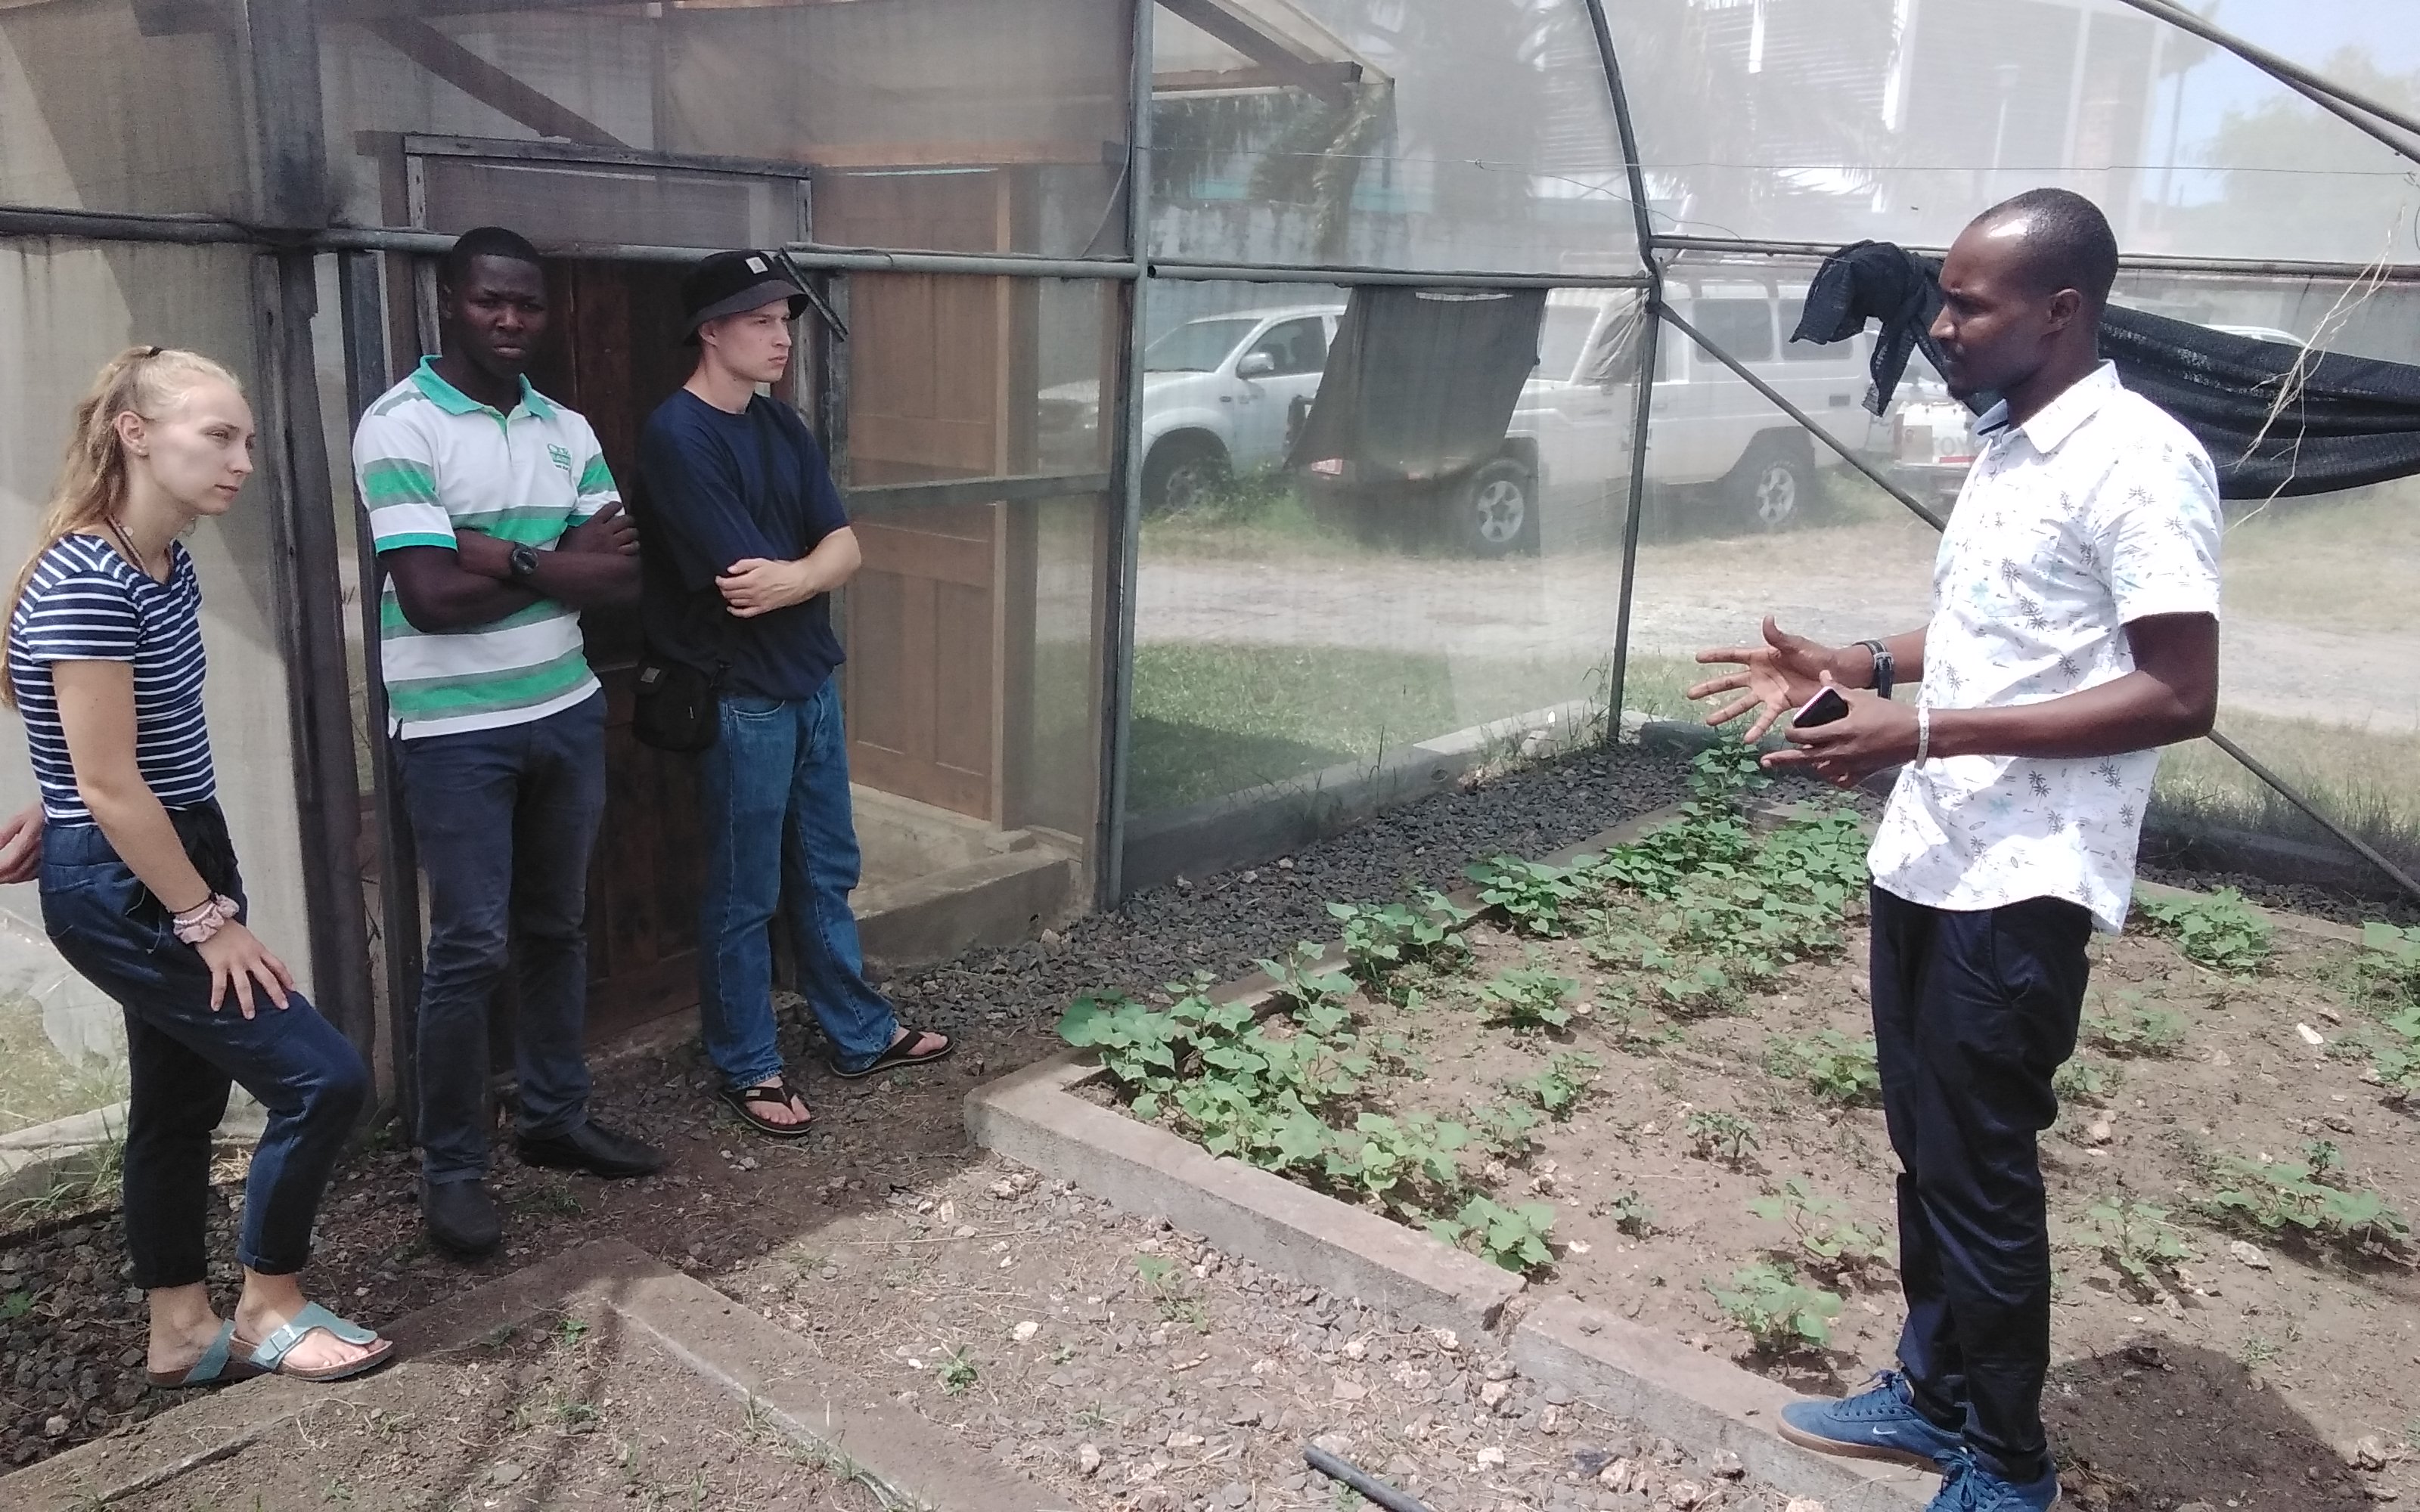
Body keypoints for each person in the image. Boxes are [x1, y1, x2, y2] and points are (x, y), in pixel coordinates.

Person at [1688, 189, 2220, 1512]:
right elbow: (1992, 623)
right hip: (1932, 850)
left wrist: (1917, 730)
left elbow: (2180, 691)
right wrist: (1853, 663)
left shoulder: (2141, 461)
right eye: (1944, 298)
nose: (1939, 325)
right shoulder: (2013, 444)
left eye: (1968, 304)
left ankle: (2009, 1466)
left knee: (1983, 1172)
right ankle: (1933, 1399)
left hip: (2024, 875)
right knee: (1927, 1147)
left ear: (2062, 310)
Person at [2, 347, 389, 1386]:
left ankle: (178, 1330)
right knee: (323, 1077)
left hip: (164, 846)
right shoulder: (89, 574)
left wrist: (67, 792)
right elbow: (116, 784)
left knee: (180, 1104)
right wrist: (206, 916)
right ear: (135, 432)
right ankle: (271, 1306)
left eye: (248, 440)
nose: (243, 461)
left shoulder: (165, 561)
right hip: (134, 884)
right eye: (218, 436)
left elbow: (119, 747)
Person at [354, 226, 662, 1257]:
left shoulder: (565, 426)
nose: (511, 320)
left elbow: (621, 579)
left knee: (557, 927)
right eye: (491, 300)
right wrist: (555, 559)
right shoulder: (399, 426)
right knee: (469, 946)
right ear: (452, 301)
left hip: (564, 709)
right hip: (454, 732)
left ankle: (553, 1118)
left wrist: (506, 556)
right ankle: (452, 1171)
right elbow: (430, 599)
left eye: (527, 303)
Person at [633, 249, 951, 1138]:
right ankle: (747, 1062)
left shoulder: (780, 426)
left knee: (825, 868)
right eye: (760, 320)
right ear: (710, 330)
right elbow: (744, 582)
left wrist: (801, 574)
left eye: (784, 320)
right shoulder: (677, 435)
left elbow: (843, 548)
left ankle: (857, 1031)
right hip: (741, 696)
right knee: (744, 889)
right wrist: (810, 570)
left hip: (808, 682)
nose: (781, 336)